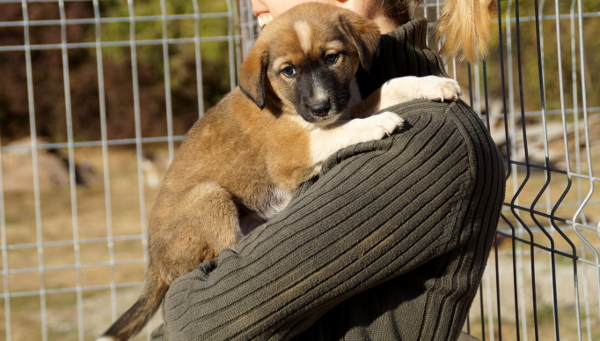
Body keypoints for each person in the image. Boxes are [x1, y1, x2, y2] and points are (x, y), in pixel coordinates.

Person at [150, 0, 504, 340]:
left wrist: (191, 304)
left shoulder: (420, 143)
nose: (252, 2)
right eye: (288, 71)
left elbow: (198, 323)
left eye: (332, 58)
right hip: (206, 233)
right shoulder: (391, 113)